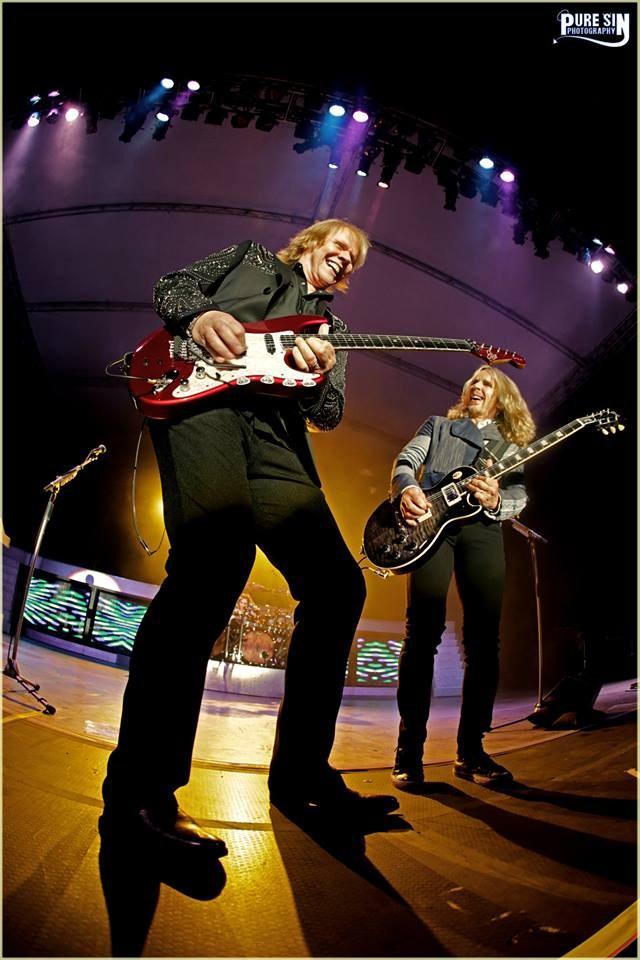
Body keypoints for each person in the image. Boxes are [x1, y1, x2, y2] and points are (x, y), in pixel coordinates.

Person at [100, 219, 398, 858]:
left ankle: (302, 777)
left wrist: (321, 373)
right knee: (214, 564)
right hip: (203, 403)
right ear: (311, 243)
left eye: (355, 259)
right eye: (339, 247)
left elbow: (328, 415)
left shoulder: (334, 330)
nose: (346, 259)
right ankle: (139, 794)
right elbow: (172, 286)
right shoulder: (252, 259)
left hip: (278, 441)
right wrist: (203, 316)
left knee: (337, 587)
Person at [389, 366, 536, 788]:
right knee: (422, 635)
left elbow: (519, 495)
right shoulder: (438, 426)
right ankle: (408, 751)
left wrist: (499, 500)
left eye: (488, 383)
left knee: (484, 642)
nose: (477, 386)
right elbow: (407, 460)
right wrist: (406, 488)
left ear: (502, 398)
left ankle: (471, 752)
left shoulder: (511, 446)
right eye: (474, 381)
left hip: (483, 529)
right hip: (432, 526)